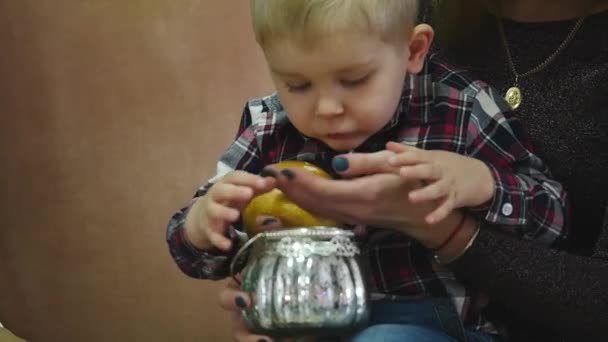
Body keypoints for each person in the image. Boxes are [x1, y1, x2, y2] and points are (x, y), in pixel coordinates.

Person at [166, 0, 569, 340]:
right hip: (310, 322)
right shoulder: (270, 127)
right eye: (298, 85)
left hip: (434, 323)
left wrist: (484, 184)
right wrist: (203, 226)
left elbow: (555, 220)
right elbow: (202, 252)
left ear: (413, 51)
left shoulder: (462, 109)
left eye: (354, 80)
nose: (327, 109)